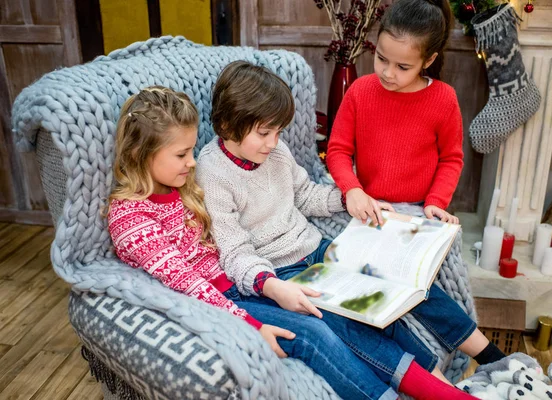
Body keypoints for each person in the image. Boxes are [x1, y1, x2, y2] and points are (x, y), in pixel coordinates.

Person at [106, 86, 475, 400]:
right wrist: (250, 324)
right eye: (181, 155)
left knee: (374, 303)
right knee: (315, 331)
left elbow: (298, 196)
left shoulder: (182, 187)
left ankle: (449, 386)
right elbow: (188, 284)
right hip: (228, 297)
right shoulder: (130, 218)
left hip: (245, 282)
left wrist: (350, 196)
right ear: (142, 154)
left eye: (190, 152)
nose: (191, 163)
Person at [196, 60, 490, 398]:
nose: (274, 142)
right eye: (264, 133)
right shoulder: (213, 173)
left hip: (316, 248)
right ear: (228, 124)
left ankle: (472, 365)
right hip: (278, 272)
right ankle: (443, 393)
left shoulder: (276, 152)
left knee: (393, 276)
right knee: (350, 321)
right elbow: (234, 253)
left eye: (278, 132)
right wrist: (272, 286)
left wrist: (351, 198)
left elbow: (305, 195)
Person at [327, 0, 465, 226]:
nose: (388, 73)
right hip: (367, 205)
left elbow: (451, 159)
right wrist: (351, 189)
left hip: (419, 210)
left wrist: (436, 202)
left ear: (428, 60)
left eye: (402, 67)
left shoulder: (444, 99)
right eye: (381, 58)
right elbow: (338, 149)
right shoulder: (359, 91)